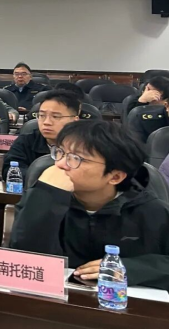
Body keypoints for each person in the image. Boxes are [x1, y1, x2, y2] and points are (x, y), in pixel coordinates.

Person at [10, 120, 169, 290]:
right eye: (60, 152)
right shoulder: (41, 198)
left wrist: (132, 269)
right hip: (53, 298)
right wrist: (46, 197)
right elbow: (23, 261)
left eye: (76, 158)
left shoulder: (153, 212)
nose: (60, 164)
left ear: (115, 177)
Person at [3, 90, 80, 178]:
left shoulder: (85, 145)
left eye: (55, 116)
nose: (46, 122)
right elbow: (11, 171)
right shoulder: (26, 141)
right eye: (42, 116)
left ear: (74, 120)